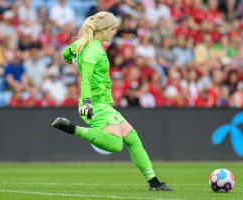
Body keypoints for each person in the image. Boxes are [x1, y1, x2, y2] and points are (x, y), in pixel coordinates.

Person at [51, 11, 173, 191]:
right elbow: (85, 79)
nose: (115, 32)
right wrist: (86, 103)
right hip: (95, 103)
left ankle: (154, 182)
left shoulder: (84, 43)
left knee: (132, 139)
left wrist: (71, 58)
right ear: (102, 29)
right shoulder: (93, 49)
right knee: (116, 144)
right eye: (113, 29)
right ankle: (72, 128)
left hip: (102, 104)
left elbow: (65, 54)